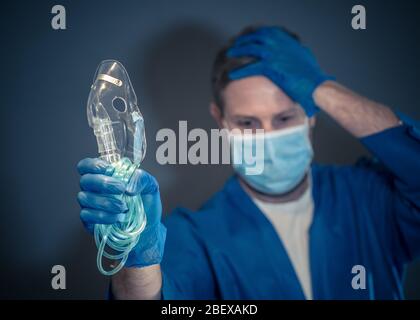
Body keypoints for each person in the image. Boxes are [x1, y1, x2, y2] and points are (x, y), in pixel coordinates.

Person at [77, 26, 420, 299]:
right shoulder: (195, 237)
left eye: (284, 119)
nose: (267, 137)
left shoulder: (369, 198)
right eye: (248, 123)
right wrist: (136, 258)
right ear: (221, 121)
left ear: (313, 114)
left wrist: (321, 88)